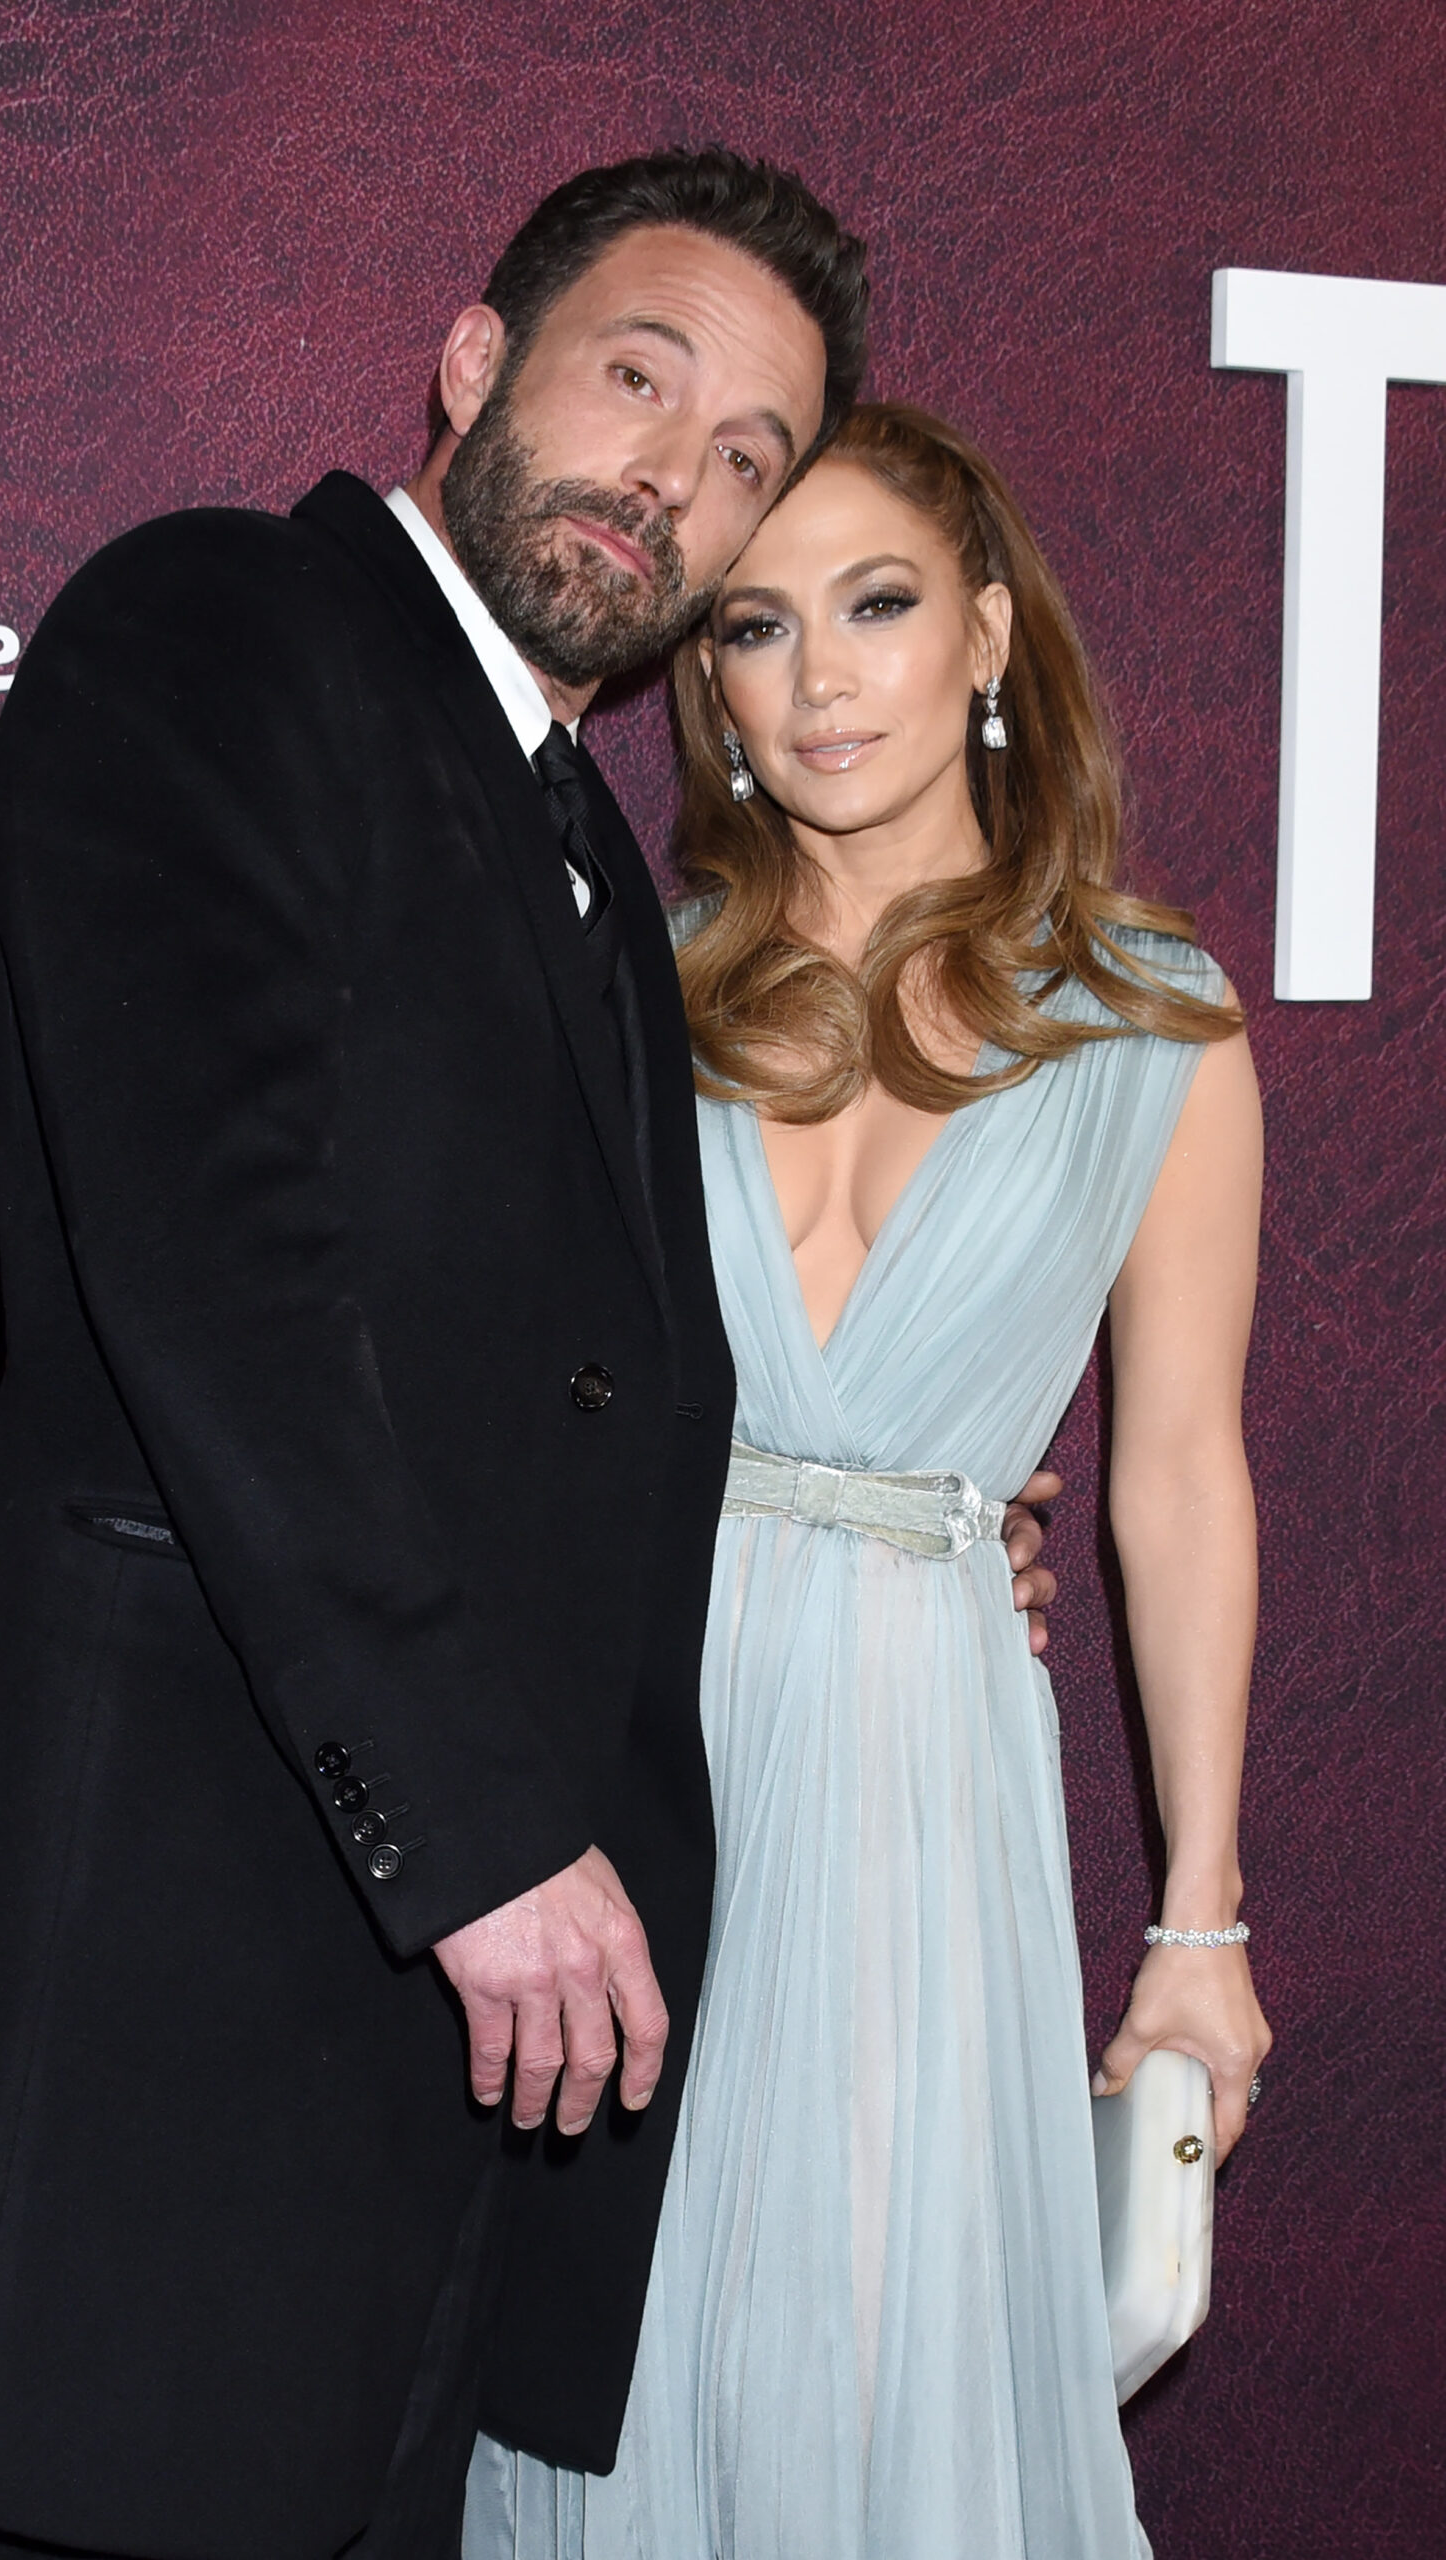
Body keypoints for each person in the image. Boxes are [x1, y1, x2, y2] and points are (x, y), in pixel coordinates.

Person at [0, 154, 1061, 2560]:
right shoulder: (218, 626)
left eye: (742, 464)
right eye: (635, 378)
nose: (666, 480)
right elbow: (216, 1270)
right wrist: (477, 1830)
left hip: (428, 2062)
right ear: (474, 365)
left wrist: (888, 1511)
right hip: (193, 1975)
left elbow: (571, 1360)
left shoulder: (590, 864)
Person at [465, 404, 1274, 2559]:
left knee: (867, 2334)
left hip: (921, 1767)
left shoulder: (1152, 1024)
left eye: (878, 603)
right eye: (750, 624)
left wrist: (1194, 1915)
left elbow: (1174, 1476)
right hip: (625, 1745)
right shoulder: (620, 980)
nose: (817, 675)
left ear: (988, 633)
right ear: (700, 688)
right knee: (617, 2353)